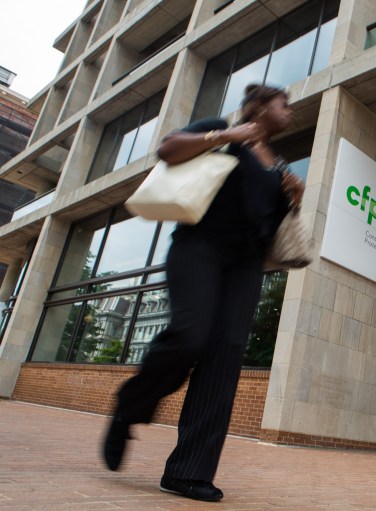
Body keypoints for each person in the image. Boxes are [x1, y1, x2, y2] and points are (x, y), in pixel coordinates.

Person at [102, 84, 305, 502]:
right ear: (260, 106)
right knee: (190, 335)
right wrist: (225, 135)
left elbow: (269, 226)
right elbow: (168, 150)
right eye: (284, 104)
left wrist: (295, 200)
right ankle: (130, 405)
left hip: (245, 267)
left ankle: (188, 472)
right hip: (199, 247)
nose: (290, 111)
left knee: (224, 359)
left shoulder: (279, 166)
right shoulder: (222, 132)